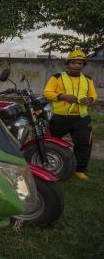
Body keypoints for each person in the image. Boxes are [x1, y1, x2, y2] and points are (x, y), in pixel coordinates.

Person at [43, 49, 98, 181]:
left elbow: (93, 94)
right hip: (60, 118)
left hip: (82, 119)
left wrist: (90, 99)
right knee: (49, 142)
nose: (77, 65)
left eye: (80, 63)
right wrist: (62, 96)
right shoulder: (57, 77)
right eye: (74, 63)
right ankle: (45, 165)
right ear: (68, 63)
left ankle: (79, 170)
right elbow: (47, 92)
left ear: (83, 65)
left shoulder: (88, 79)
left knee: (84, 145)